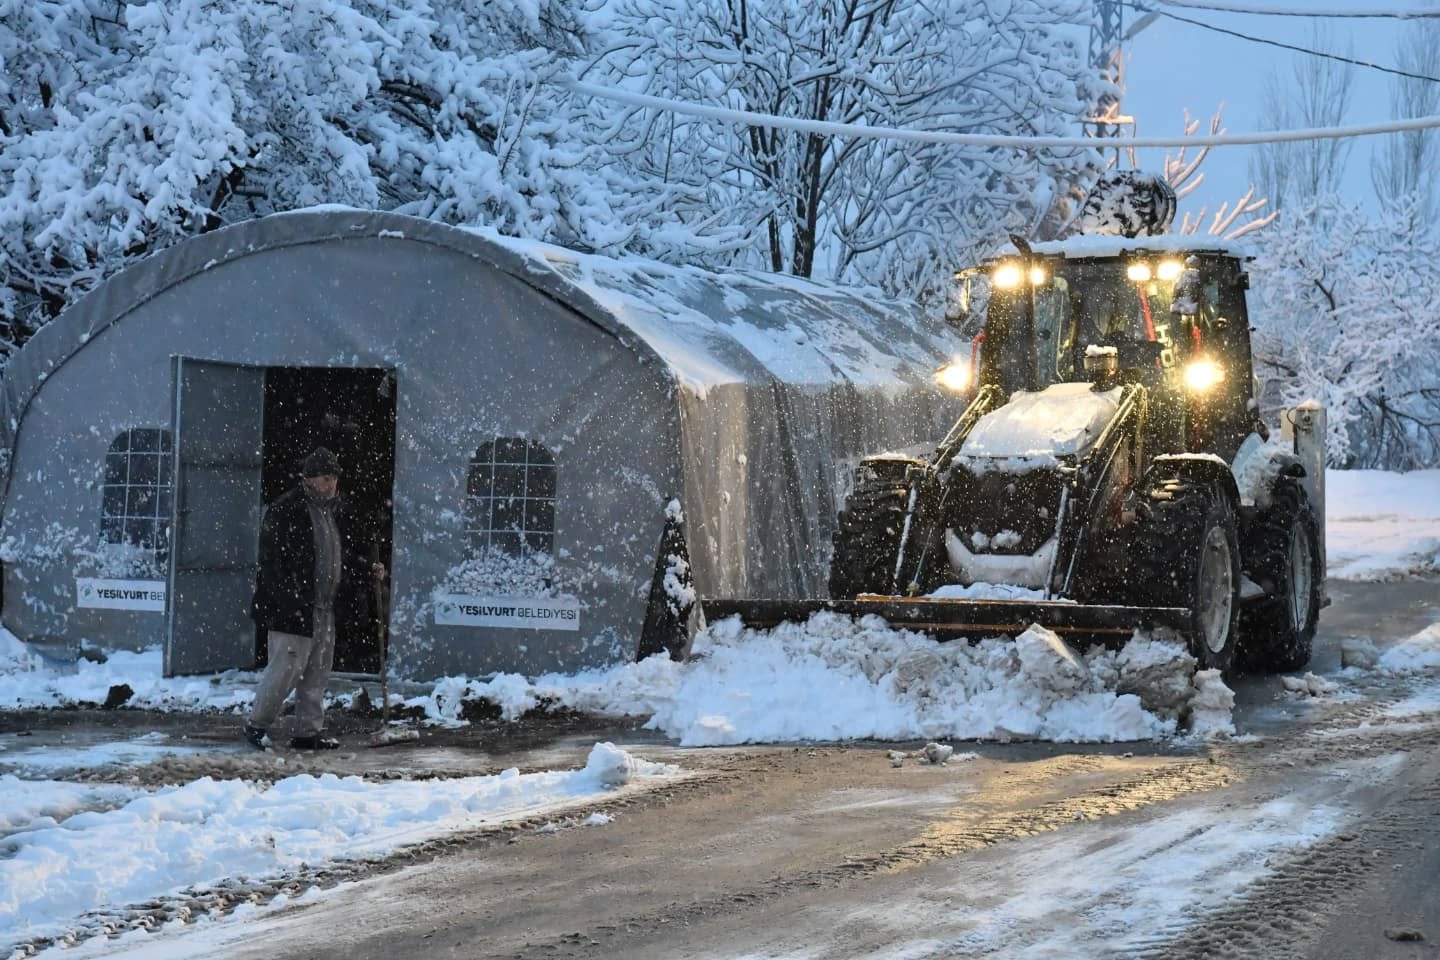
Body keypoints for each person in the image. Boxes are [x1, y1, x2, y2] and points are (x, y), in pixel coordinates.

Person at [244, 447, 384, 750]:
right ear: (308, 479)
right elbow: (271, 563)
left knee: (317, 672)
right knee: (285, 671)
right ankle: (257, 725)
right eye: (325, 477)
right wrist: (290, 601)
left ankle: (307, 731)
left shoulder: (331, 511)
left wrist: (365, 571)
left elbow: (336, 557)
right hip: (292, 608)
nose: (331, 483)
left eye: (334, 477)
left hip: (322, 607)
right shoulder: (287, 510)